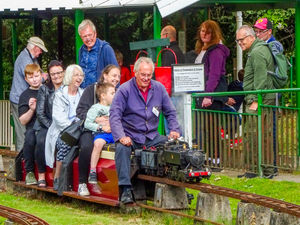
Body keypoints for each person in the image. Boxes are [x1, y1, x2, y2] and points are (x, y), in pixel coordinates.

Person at [109, 57, 181, 204]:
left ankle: (174, 186)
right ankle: (125, 190)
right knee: (122, 149)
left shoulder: (159, 88)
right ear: (135, 72)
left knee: (174, 147)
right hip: (131, 135)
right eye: (143, 75)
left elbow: (170, 112)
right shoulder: (124, 90)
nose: (146, 78)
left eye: (149, 75)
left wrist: (174, 129)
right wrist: (121, 136)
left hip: (151, 136)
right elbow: (114, 116)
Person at [236, 25, 276, 178]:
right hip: (263, 99)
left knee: (251, 134)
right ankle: (267, 170)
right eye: (238, 40)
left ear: (251, 37)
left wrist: (255, 100)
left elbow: (260, 77)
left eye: (242, 40)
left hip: (258, 100)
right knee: (263, 135)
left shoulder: (258, 52)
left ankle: (253, 170)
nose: (240, 43)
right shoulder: (258, 50)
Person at [76, 65, 120, 196]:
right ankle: (82, 182)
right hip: (91, 129)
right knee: (87, 146)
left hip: (112, 129)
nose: (116, 79)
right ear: (105, 75)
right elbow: (80, 111)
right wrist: (97, 120)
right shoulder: (91, 90)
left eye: (118, 76)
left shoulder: (118, 93)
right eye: (114, 75)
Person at [45, 64, 84, 190]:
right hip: (63, 130)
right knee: (66, 142)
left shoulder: (83, 94)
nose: (79, 78)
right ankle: (58, 177)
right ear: (69, 77)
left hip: (81, 130)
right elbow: (58, 118)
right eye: (76, 75)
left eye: (81, 75)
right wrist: (73, 127)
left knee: (72, 142)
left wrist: (79, 127)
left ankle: (60, 177)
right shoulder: (60, 94)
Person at [10, 36, 48, 152]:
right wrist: (43, 78)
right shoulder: (25, 60)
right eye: (40, 50)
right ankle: (20, 166)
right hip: (19, 100)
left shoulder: (31, 58)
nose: (41, 53)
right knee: (22, 134)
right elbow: (35, 79)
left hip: (28, 99)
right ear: (35, 48)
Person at [34, 60, 64, 187]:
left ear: (64, 72)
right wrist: (52, 127)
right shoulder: (44, 89)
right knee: (41, 141)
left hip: (64, 125)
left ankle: (62, 176)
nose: (56, 76)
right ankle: (41, 175)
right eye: (53, 74)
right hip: (47, 124)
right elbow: (40, 113)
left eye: (59, 73)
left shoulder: (68, 88)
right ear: (49, 76)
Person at [84, 83, 115, 185]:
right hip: (101, 133)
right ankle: (92, 171)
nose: (115, 95)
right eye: (112, 93)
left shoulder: (115, 107)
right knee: (98, 144)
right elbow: (87, 123)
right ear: (103, 95)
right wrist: (101, 127)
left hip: (114, 133)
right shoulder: (95, 108)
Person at [18, 64, 43, 185]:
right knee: (30, 138)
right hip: (32, 127)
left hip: (48, 126)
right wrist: (31, 109)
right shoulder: (24, 95)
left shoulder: (48, 90)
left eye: (37, 76)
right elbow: (22, 121)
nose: (35, 79)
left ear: (41, 75)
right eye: (31, 77)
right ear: (26, 79)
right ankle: (29, 172)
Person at [78, 19, 118, 88]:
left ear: (95, 33)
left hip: (101, 93)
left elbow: (115, 73)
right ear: (81, 37)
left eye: (90, 35)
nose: (88, 38)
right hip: (84, 93)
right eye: (85, 36)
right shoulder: (81, 50)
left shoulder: (105, 49)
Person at [160, 25, 185, 135]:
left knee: (171, 124)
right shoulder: (179, 51)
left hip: (171, 93)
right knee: (179, 122)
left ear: (165, 35)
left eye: (160, 36)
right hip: (180, 92)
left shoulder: (167, 52)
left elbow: (165, 77)